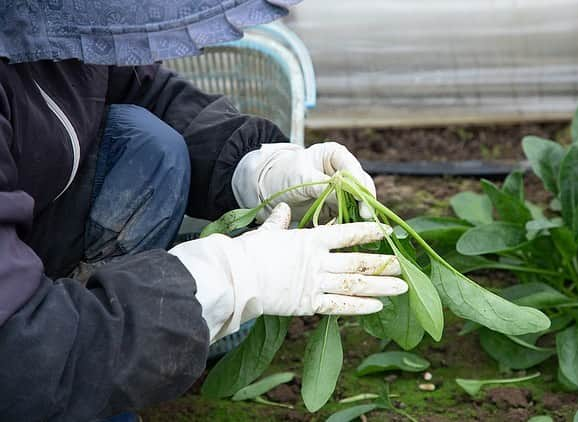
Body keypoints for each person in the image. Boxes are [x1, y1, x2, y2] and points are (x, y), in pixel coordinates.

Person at [0, 55, 407, 420]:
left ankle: (99, 371)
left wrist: (255, 168)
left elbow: (142, 89)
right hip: (16, 340)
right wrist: (221, 281)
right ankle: (80, 376)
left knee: (149, 143)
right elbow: (13, 347)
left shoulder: (49, 31)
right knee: (37, 374)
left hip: (29, 237)